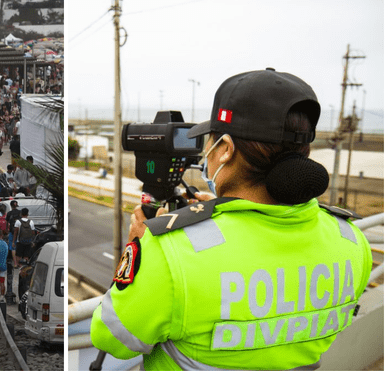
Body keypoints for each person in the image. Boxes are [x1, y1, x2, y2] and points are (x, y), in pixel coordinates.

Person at [89, 68, 373, 370]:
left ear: (224, 149)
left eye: (209, 143)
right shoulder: (351, 240)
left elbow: (112, 338)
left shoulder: (172, 253)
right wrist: (221, 210)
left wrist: (137, 243)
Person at [6, 200, 22, 267]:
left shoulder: (9, 213)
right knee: (19, 247)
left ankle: (15, 263)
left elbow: (7, 223)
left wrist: (7, 230)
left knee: (13, 247)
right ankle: (19, 263)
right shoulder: (20, 212)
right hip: (20, 232)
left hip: (12, 232)